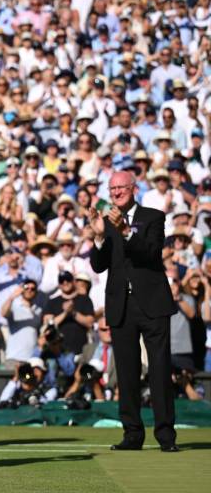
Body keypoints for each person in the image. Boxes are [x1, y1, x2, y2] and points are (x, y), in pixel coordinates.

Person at [89, 171, 178, 452]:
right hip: (121, 306)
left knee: (160, 371)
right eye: (112, 188)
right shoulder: (104, 222)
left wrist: (126, 232)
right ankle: (132, 435)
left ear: (133, 189)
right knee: (126, 374)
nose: (116, 193)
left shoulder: (153, 217)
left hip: (151, 303)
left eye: (121, 188)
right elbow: (98, 266)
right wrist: (99, 239)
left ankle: (165, 436)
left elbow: (151, 254)